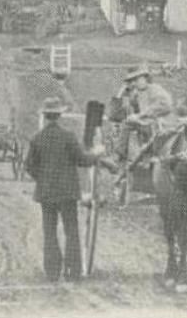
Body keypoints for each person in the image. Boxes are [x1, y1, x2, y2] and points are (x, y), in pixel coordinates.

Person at [25, 96, 108, 282]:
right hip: (67, 193)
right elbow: (83, 161)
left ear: (45, 116)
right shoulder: (68, 137)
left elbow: (29, 166)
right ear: (60, 115)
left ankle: (52, 272)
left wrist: (43, 179)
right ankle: (73, 272)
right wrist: (97, 153)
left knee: (49, 231)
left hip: (46, 193)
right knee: (71, 230)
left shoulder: (37, 139)